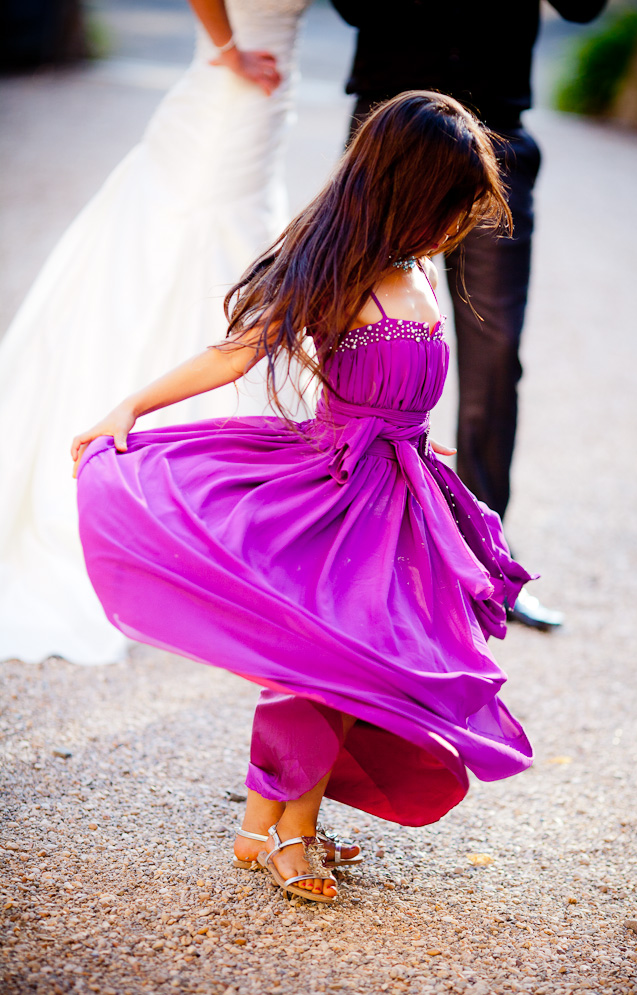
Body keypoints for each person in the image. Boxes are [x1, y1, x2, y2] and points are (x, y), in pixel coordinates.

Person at [72, 92, 533, 903]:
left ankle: (267, 824)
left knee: (351, 666)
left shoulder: (416, 268)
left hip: (396, 491)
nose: (454, 228)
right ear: (401, 194)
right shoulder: (344, 275)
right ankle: (287, 833)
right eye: (446, 209)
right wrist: (132, 407)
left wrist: (417, 440)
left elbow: (398, 391)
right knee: (324, 662)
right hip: (333, 492)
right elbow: (235, 353)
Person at [0, 0, 310, 666]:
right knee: (190, 258)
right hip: (230, 92)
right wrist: (226, 49)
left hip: (262, 110)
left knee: (238, 252)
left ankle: (219, 491)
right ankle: (159, 477)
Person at [331, 0, 608, 630]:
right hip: (392, 138)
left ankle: (484, 566)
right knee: (354, 338)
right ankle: (360, 561)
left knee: (495, 353)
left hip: (498, 144)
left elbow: (585, 8)